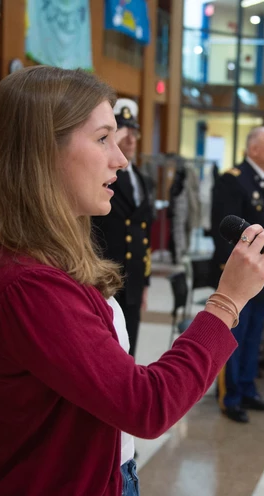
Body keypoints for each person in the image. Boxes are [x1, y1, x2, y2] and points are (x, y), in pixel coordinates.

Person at [0, 66, 264, 496]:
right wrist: (227, 301)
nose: (121, 159)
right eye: (103, 138)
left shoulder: (39, 255)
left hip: (90, 479)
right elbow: (147, 405)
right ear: (42, 151)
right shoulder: (27, 283)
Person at [210, 126, 264, 423]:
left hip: (263, 274)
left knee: (254, 337)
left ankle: (248, 389)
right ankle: (229, 397)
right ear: (253, 149)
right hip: (241, 277)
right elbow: (225, 232)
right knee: (234, 337)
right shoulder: (234, 181)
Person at [91, 99, 153, 357]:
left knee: (130, 345)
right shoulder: (100, 175)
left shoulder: (139, 177)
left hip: (133, 274)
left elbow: (142, 232)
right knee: (106, 349)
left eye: (134, 133)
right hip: (105, 270)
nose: (131, 140)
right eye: (123, 133)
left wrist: (145, 280)